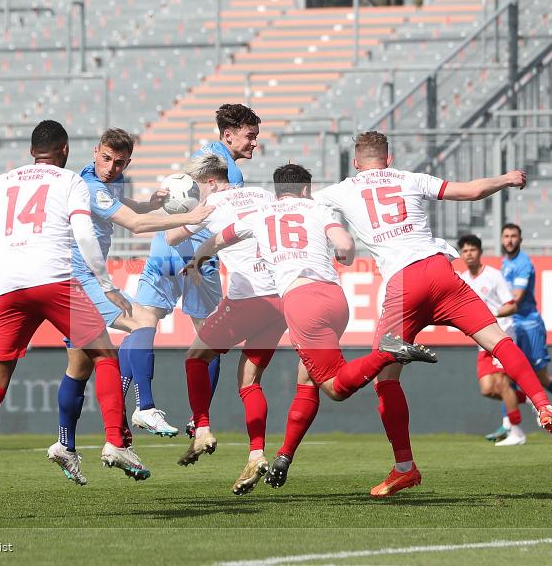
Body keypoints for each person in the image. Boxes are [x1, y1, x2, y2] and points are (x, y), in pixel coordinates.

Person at [313, 131, 552, 497]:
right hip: (441, 272)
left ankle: (404, 467)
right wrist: (506, 178)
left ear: (356, 163)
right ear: (389, 159)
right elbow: (470, 191)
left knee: (386, 377)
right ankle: (544, 406)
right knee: (498, 342)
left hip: (404, 285)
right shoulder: (410, 178)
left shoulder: (339, 191)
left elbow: (300, 208)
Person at [183, 164, 438, 495]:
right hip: (334, 300)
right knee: (305, 381)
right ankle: (281, 457)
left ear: (278, 191)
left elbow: (218, 239)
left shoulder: (262, 213)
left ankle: (386, 352)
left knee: (333, 386)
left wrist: (198, 260)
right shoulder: (317, 207)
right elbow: (345, 244)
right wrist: (343, 255)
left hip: (297, 303)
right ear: (306, 189)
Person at [0, 120, 150, 511]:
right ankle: (115, 441)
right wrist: (106, 283)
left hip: (7, 290)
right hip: (55, 281)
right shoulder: (69, 180)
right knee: (104, 355)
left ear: (31, 151)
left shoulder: (2, 181)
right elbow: (84, 233)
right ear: (65, 150)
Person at [58, 128, 214, 460]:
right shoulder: (91, 186)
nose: (111, 167)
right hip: (81, 279)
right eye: (106, 159)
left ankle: (66, 445)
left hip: (70, 279)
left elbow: (124, 207)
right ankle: (144, 408)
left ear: (128, 162)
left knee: (80, 365)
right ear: (95, 149)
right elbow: (135, 225)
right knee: (142, 321)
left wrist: (147, 204)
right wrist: (191, 215)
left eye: (119, 163)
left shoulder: (90, 179)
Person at [121, 104, 261, 438]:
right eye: (250, 136)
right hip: (197, 258)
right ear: (228, 134)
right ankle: (198, 420)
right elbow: (223, 223)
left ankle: (133, 412)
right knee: (208, 340)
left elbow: (178, 198)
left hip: (165, 251)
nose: (254, 143)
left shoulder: (201, 157)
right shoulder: (228, 173)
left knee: (141, 326)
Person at [166, 154, 286, 495]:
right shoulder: (263, 194)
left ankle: (202, 427)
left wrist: (183, 214)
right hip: (282, 296)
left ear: (212, 182)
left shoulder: (213, 202)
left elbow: (174, 237)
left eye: (198, 188)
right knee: (249, 380)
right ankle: (256, 453)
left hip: (250, 297)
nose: (197, 195)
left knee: (195, 356)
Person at [493, 223, 552, 438]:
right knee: (507, 374)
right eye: (506, 236)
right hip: (512, 325)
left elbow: (515, 298)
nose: (509, 240)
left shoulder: (523, 263)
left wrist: (492, 313)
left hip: (528, 325)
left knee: (540, 376)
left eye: (513, 236)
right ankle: (509, 423)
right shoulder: (505, 262)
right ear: (501, 239)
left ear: (520, 239)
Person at [457, 234, 526, 446]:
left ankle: (516, 432)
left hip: (501, 334)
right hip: (481, 339)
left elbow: (511, 305)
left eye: (472, 250)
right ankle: (523, 397)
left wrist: (492, 314)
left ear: (480, 252)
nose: (469, 254)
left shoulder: (494, 276)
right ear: (461, 254)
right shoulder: (462, 279)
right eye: (465, 251)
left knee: (501, 383)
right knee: (487, 388)